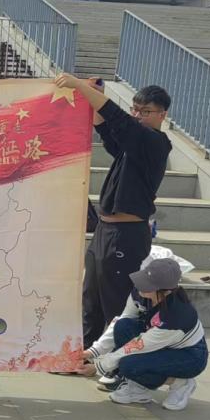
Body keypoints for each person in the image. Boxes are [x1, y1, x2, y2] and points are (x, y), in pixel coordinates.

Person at [54, 73, 172, 361]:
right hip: (104, 232)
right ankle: (84, 355)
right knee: (91, 297)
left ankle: (119, 362)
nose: (138, 116)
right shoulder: (131, 146)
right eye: (135, 109)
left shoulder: (154, 143)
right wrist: (91, 94)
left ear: (162, 115)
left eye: (146, 111)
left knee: (116, 301)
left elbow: (119, 120)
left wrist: (79, 86)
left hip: (127, 236)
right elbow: (108, 129)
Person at [80, 257, 207, 410]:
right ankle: (138, 388)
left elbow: (138, 345)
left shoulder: (177, 316)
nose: (140, 285)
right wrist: (92, 352)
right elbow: (123, 319)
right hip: (153, 342)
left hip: (188, 356)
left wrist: (98, 367)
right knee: (123, 325)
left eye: (148, 284)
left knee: (128, 365)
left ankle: (180, 382)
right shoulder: (140, 293)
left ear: (165, 290)